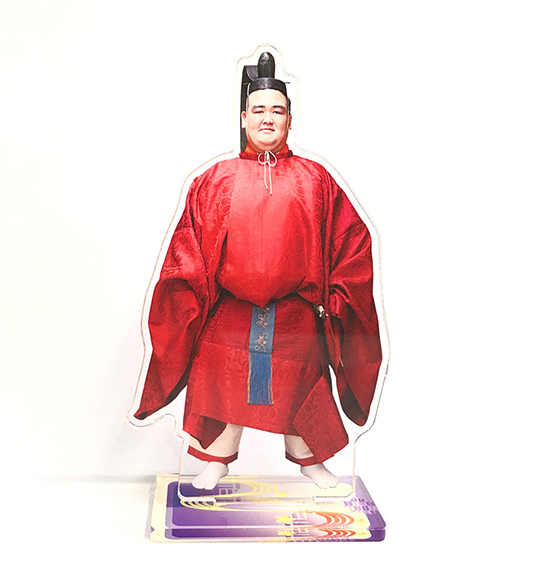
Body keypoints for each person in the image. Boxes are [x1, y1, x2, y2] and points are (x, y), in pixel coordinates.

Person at [133, 52, 382, 489]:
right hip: (230, 310)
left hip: (295, 313)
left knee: (302, 382)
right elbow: (187, 247)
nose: (268, 118)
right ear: (244, 118)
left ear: (290, 120)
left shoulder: (315, 179)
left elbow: (351, 240)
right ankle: (216, 458)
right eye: (260, 110)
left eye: (278, 111)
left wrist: (334, 300)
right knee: (220, 377)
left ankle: (310, 461)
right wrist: (189, 295)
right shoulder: (215, 180)